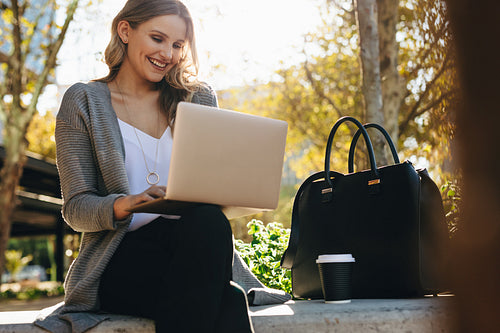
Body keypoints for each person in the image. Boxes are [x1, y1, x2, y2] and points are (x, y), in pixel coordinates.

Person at [34, 1, 289, 332]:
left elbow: (213, 186)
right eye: (157, 38)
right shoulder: (83, 101)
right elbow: (76, 208)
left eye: (178, 45)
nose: (167, 53)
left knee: (208, 221)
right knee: (226, 300)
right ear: (125, 31)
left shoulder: (197, 98)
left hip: (195, 244)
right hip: (121, 256)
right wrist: (124, 204)